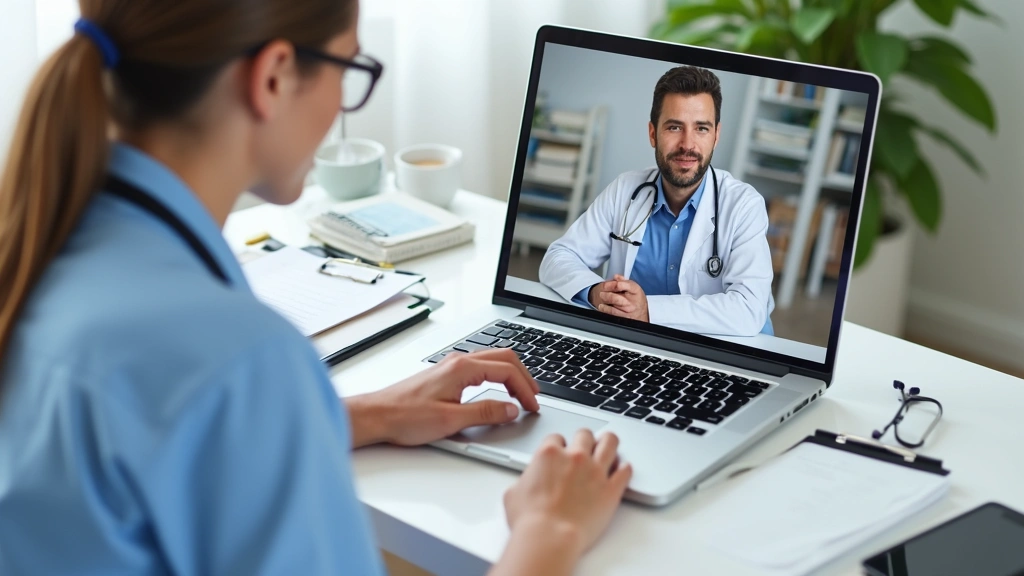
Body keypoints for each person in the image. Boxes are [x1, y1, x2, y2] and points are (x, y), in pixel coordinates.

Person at [0, 1, 631, 574]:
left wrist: (356, 414)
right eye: (347, 67)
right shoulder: (239, 360)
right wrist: (549, 534)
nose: (340, 105)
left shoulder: (37, 246)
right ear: (273, 76)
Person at [539, 66, 775, 337]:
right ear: (653, 134)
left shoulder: (744, 205)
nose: (688, 144)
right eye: (674, 127)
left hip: (728, 349)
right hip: (639, 344)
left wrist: (647, 310)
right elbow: (558, 257)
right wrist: (596, 292)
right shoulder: (626, 190)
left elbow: (747, 310)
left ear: (716, 136)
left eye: (701, 129)